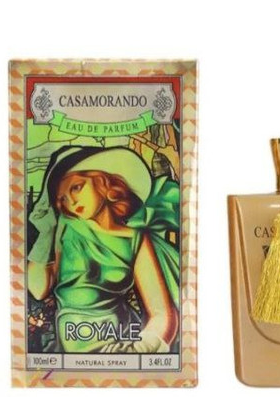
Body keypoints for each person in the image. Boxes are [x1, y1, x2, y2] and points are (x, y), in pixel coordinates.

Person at [28, 146, 179, 353]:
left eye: (76, 187)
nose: (71, 202)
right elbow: (37, 288)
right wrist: (46, 231)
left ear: (102, 181)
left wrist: (140, 350)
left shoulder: (135, 239)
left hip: (124, 341)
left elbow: (163, 314)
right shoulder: (66, 226)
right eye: (62, 198)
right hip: (73, 345)